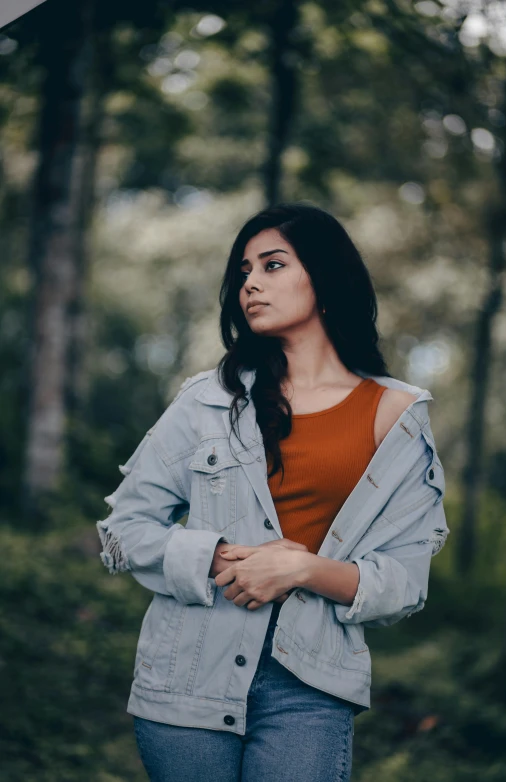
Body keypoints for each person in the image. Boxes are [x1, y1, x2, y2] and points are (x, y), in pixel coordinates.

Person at [97, 202, 449, 782]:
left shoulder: (397, 416)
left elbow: (405, 583)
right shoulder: (207, 401)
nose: (251, 284)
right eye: (243, 272)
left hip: (310, 683)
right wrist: (210, 557)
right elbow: (125, 530)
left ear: (326, 277)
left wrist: (301, 569)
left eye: (273, 265)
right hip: (189, 674)